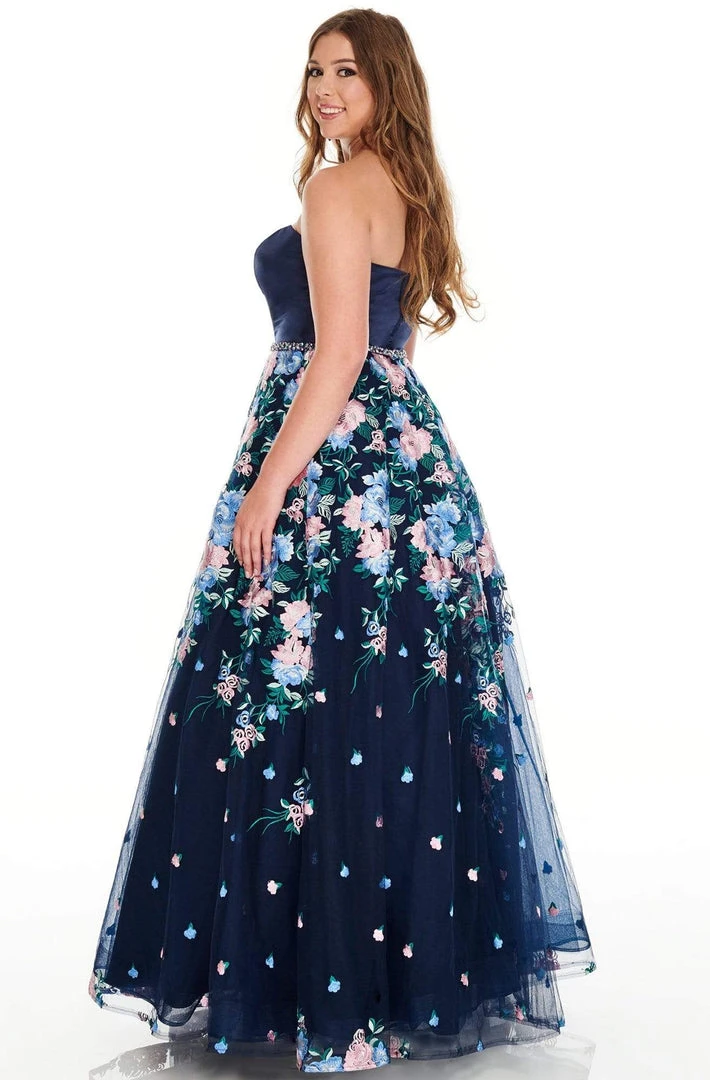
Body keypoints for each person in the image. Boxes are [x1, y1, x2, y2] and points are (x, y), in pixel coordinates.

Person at [88, 8, 597, 1073]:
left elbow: (337, 354)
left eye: (348, 72)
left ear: (386, 85)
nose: (325, 88)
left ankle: (318, 999)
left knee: (296, 710)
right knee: (382, 716)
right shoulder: (407, 189)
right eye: (315, 70)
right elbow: (388, 356)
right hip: (405, 471)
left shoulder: (335, 188)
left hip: (330, 473)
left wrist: (268, 486)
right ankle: (390, 988)